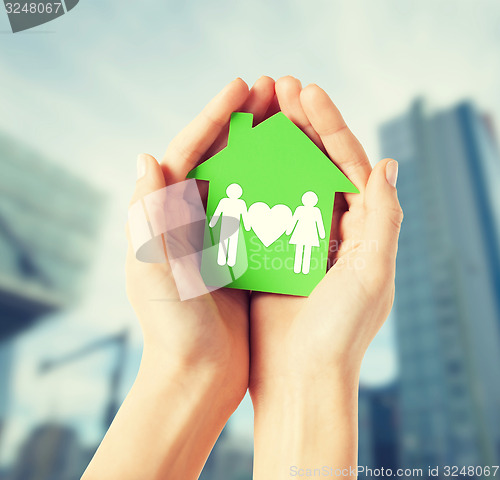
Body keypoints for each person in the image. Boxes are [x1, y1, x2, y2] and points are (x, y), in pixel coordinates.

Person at [82, 76, 402, 480]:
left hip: (294, 245)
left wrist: (304, 376)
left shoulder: (286, 206)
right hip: (238, 248)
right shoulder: (232, 204)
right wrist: (187, 362)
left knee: (274, 253)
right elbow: (221, 218)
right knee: (235, 252)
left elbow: (289, 221)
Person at [209, 183, 248, 267]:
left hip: (234, 225)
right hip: (225, 224)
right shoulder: (224, 201)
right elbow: (218, 212)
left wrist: (247, 225)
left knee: (233, 243)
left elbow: (244, 215)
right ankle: (221, 259)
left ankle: (231, 261)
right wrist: (213, 222)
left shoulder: (241, 203)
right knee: (224, 242)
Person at [287, 190, 325, 274]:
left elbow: (319, 222)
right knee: (299, 250)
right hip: (300, 231)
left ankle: (305, 270)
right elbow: (294, 220)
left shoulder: (316, 211)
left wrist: (322, 233)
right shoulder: (300, 209)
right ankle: (297, 268)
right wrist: (289, 230)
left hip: (310, 233)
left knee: (307, 251)